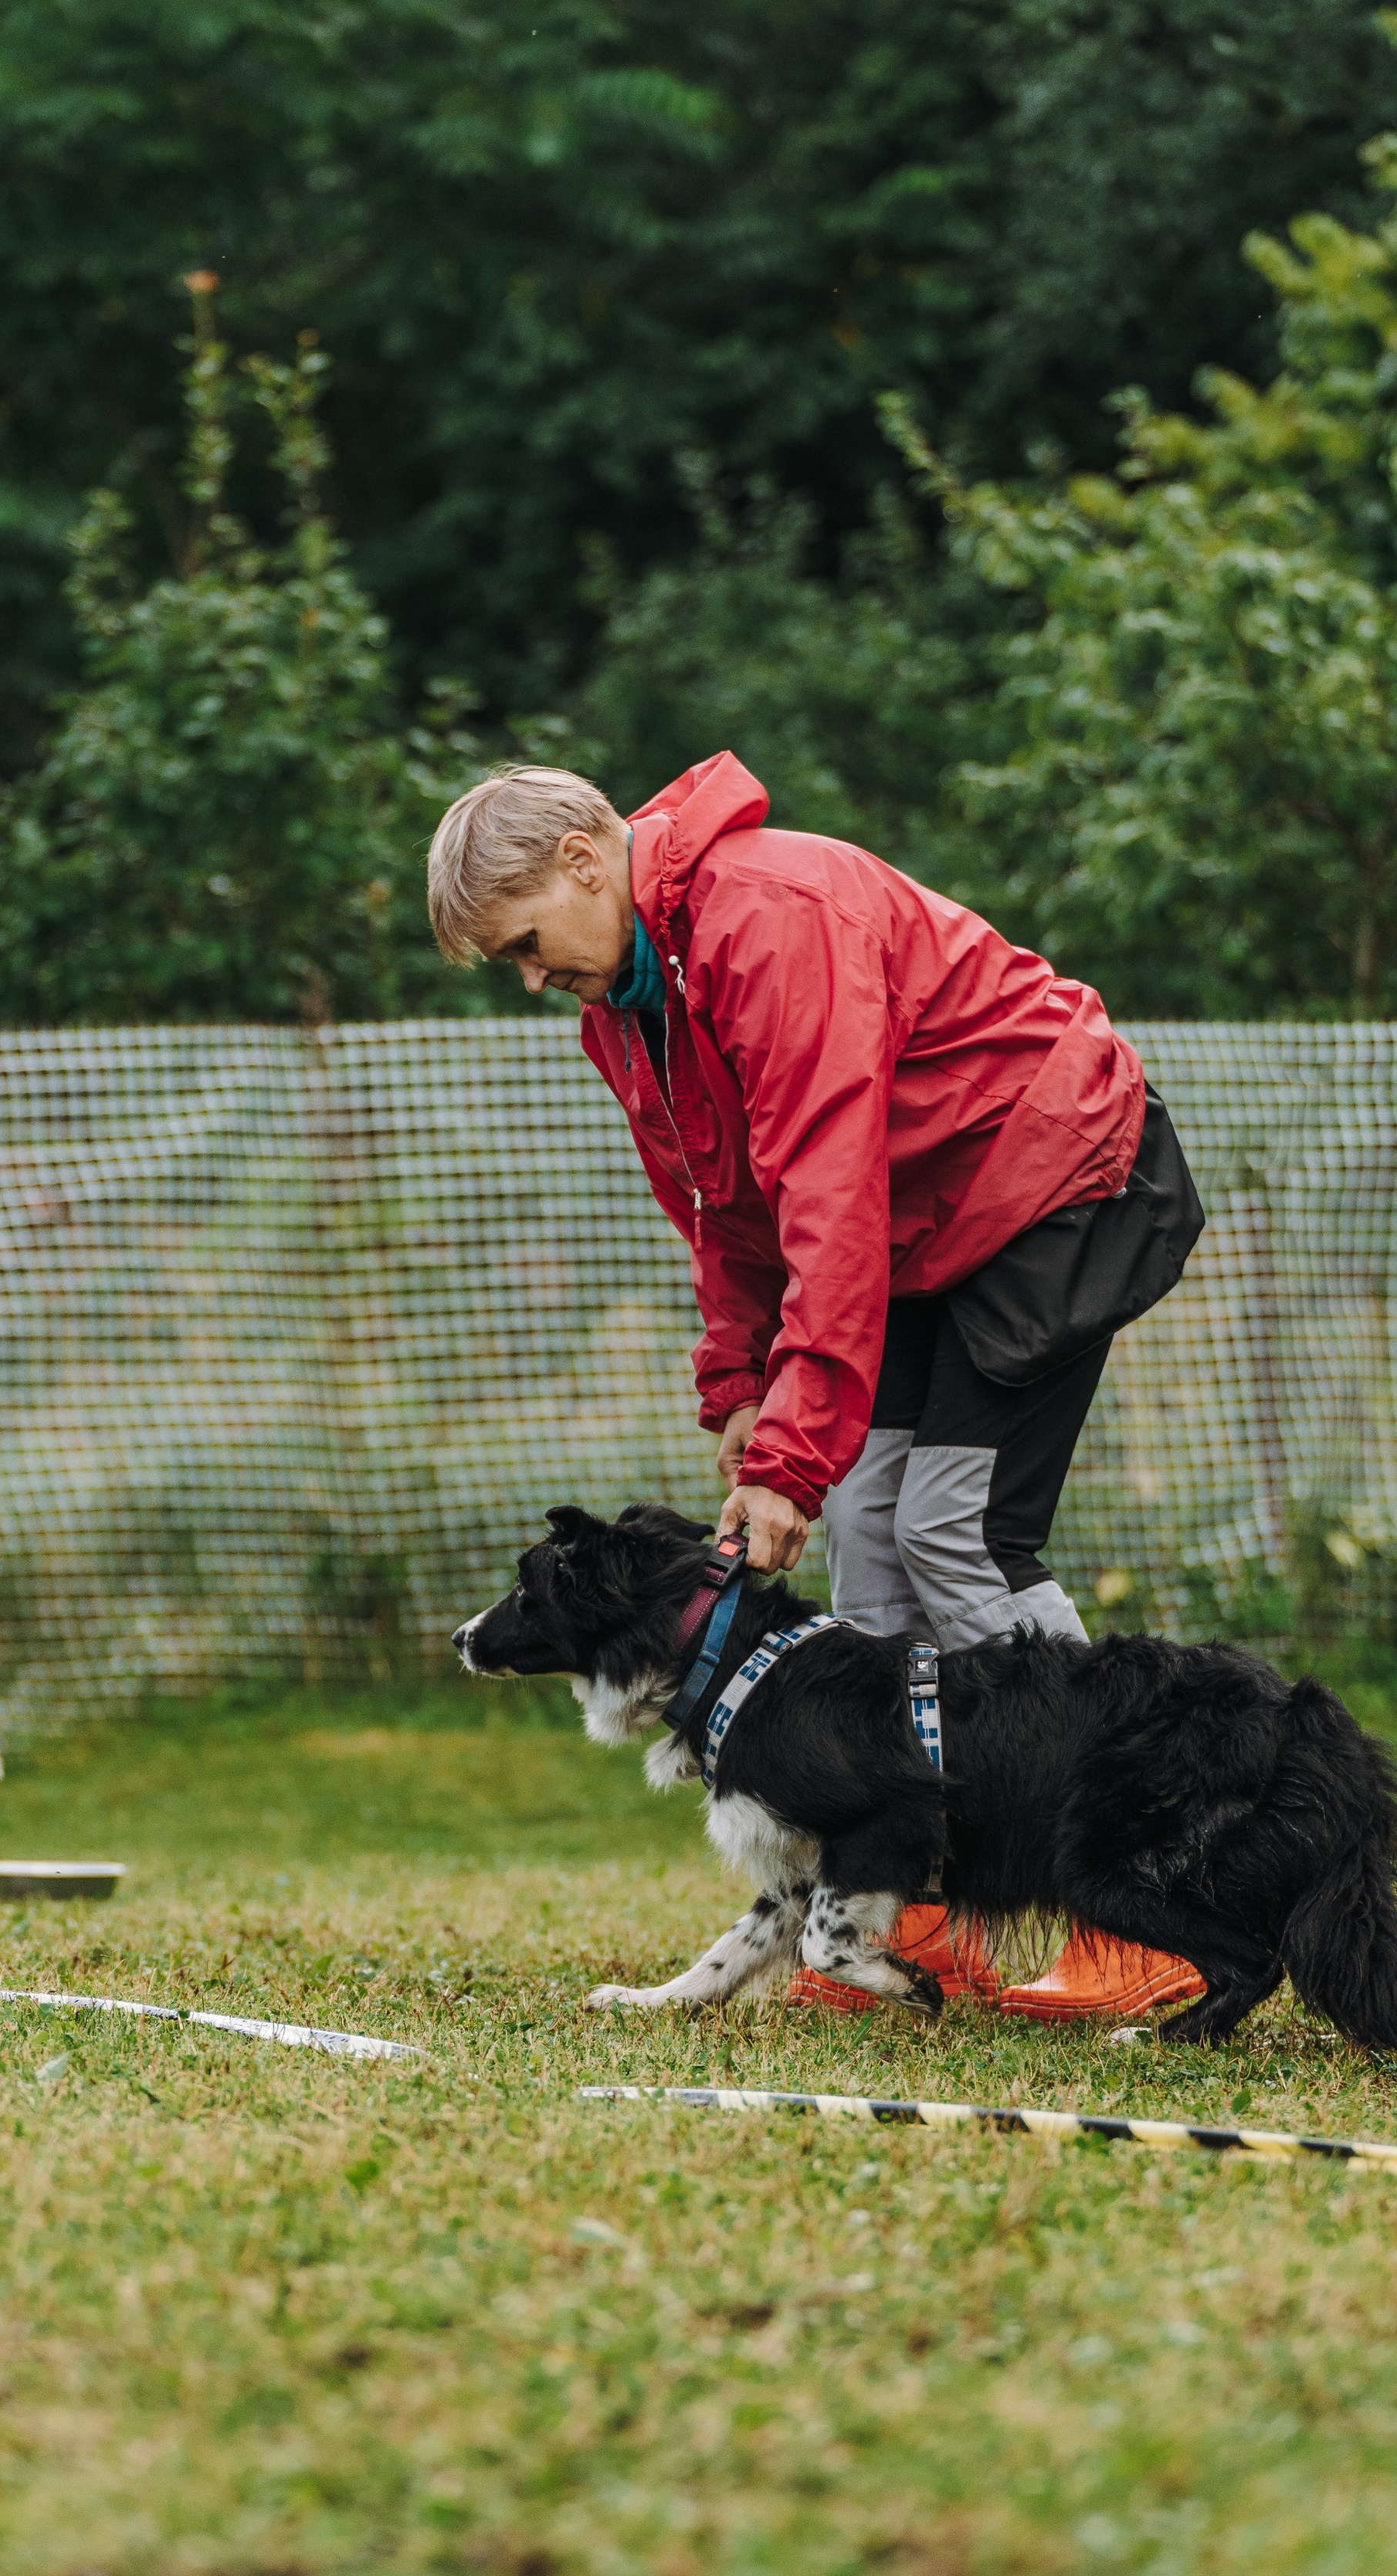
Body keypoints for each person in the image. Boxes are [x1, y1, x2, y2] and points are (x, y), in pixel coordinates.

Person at [426, 754, 1205, 2023]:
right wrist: (742, 1384)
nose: (528, 977)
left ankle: (1137, 1905)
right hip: (922, 1222)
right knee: (867, 1538)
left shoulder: (768, 918)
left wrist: (789, 1458)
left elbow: (829, 1195)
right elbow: (722, 1205)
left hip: (1051, 1176)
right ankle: (907, 1919)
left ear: (583, 860)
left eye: (523, 944)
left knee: (955, 1529)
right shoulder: (624, 1007)